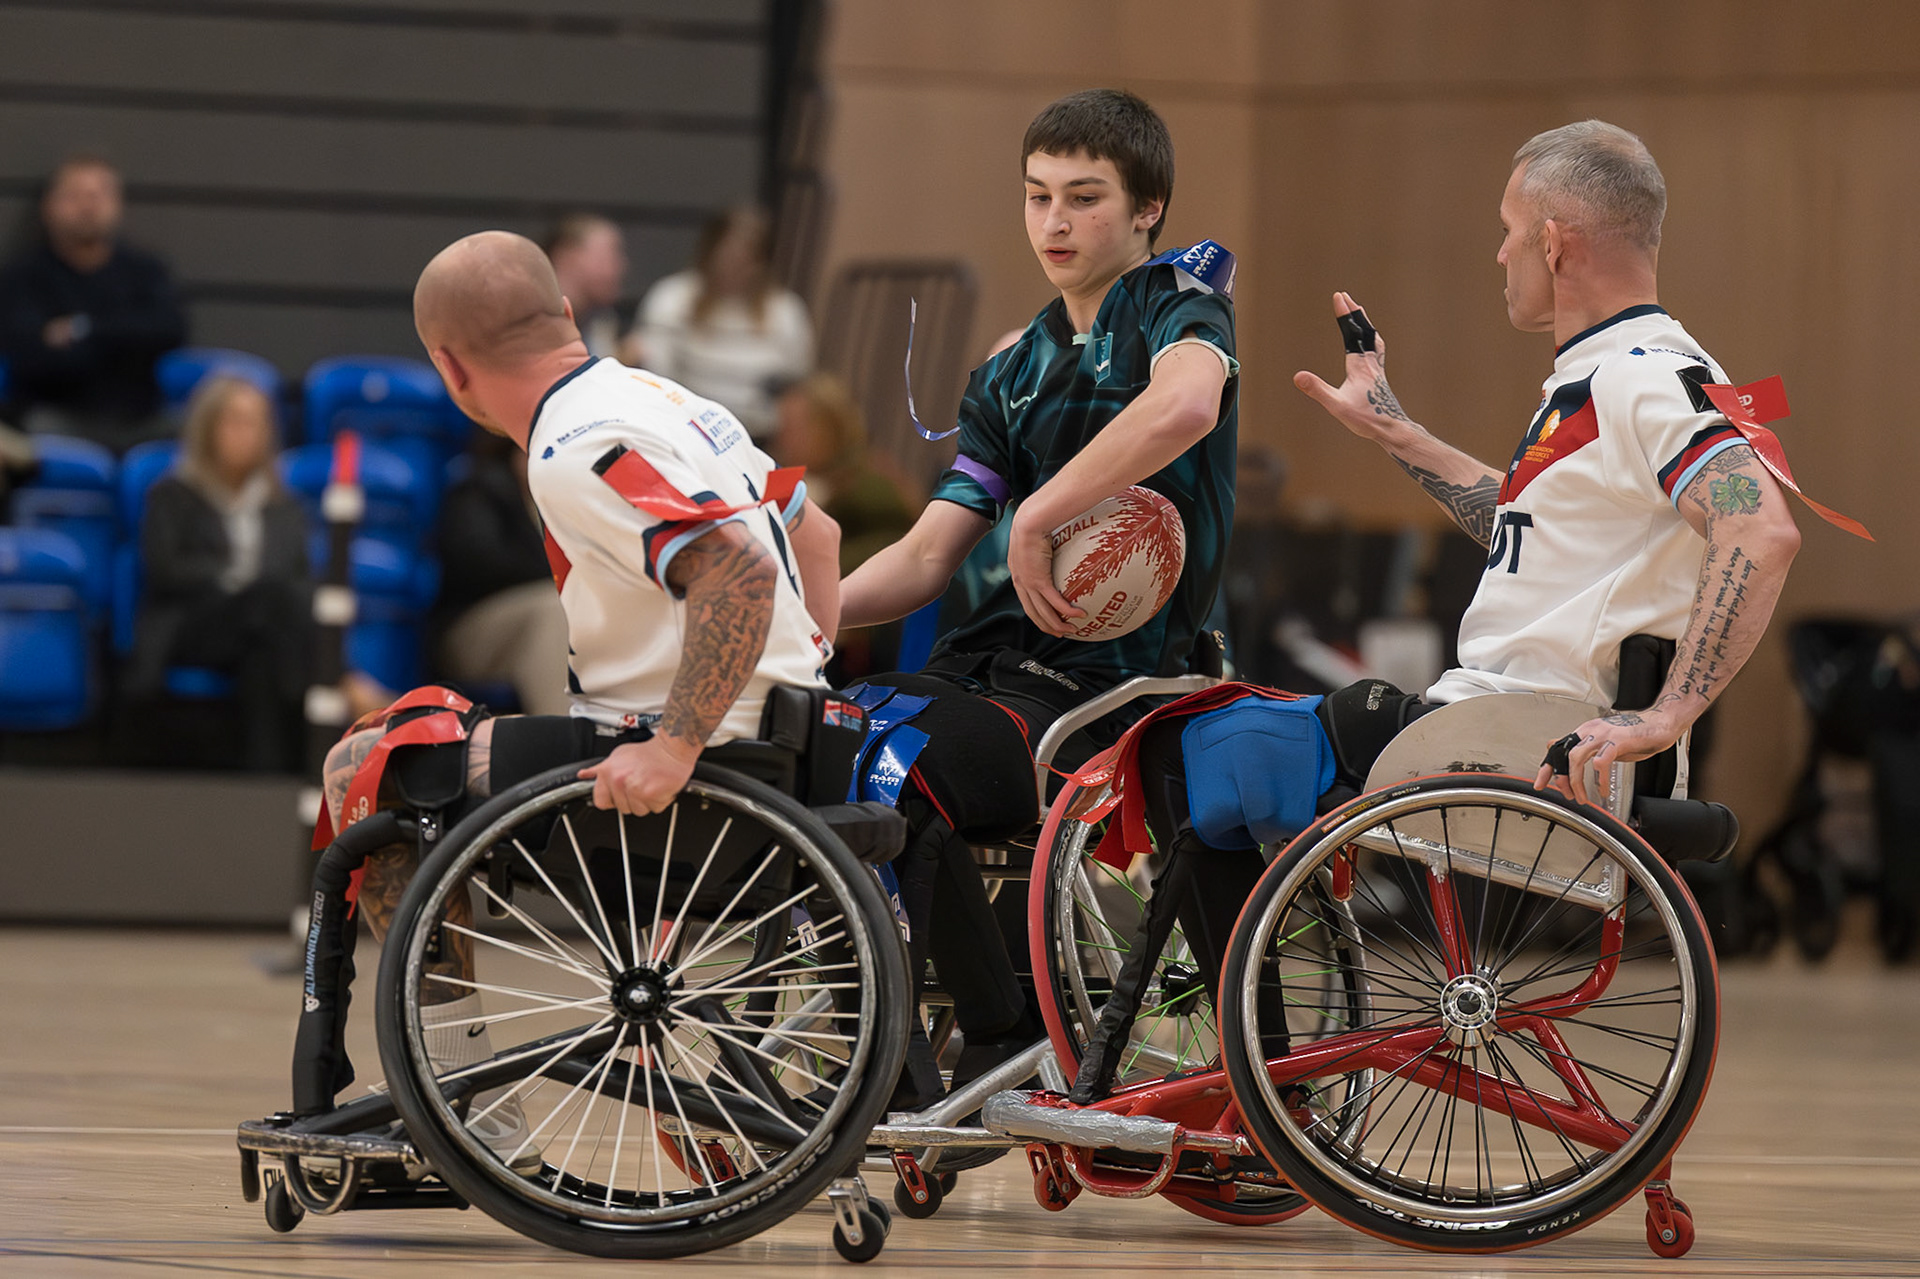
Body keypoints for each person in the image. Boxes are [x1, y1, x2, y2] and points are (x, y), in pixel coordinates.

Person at [1068, 119, 1814, 1102]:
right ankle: (1263, 1071)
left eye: (1508, 230)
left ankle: (1260, 1081)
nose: (1500, 253)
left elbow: (1759, 526)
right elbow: (1523, 527)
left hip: (1521, 738)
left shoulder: (1645, 376)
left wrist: (1665, 714)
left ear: (1554, 241)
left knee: (1183, 744)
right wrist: (1394, 429)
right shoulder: (1609, 374)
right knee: (1205, 750)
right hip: (1496, 723)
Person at [308, 231, 841, 1153]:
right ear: (564, 312)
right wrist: (802, 684)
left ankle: (466, 1106)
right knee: (415, 726)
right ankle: (463, 1100)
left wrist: (676, 744)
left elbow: (739, 574)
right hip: (787, 745)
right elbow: (817, 538)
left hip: (705, 774)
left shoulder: (573, 447)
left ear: (448, 368)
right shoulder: (668, 399)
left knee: (374, 761)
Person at [836, 88, 1239, 1102]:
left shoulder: (1178, 308)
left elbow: (1188, 405)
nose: (1054, 222)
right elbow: (928, 554)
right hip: (983, 668)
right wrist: (791, 617)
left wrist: (1043, 512)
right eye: (1037, 196)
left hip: (1110, 688)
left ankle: (984, 1034)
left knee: (901, 762)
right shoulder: (1009, 369)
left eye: (1084, 198)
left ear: (1147, 209)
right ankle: (912, 1029)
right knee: (830, 738)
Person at [133, 376, 311, 771]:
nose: (247, 433)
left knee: (262, 655)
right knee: (269, 598)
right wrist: (235, 577)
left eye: (256, 422)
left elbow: (299, 579)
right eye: (235, 421)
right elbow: (165, 569)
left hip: (263, 630)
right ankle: (329, 685)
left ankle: (265, 779)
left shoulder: (285, 507)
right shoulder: (173, 494)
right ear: (207, 428)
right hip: (194, 624)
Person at [0, 155, 185, 451]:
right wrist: (123, 342)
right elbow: (30, 356)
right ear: (48, 206)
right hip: (55, 419)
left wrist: (81, 330)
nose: (87, 207)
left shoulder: (146, 270)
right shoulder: (23, 276)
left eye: (98, 195)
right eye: (74, 196)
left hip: (139, 420)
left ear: (118, 204)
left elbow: (169, 330)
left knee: (194, 437)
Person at [627, 206, 811, 441]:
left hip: (758, 436)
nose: (736, 267)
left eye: (748, 258)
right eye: (729, 256)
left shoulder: (786, 312)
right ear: (709, 252)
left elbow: (796, 385)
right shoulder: (672, 298)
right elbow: (655, 376)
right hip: (683, 431)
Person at [431, 430, 571, 715]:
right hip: (472, 628)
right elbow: (479, 562)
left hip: (547, 622)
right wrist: (558, 571)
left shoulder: (573, 503)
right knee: (553, 608)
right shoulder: (478, 488)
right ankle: (564, 731)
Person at [772, 373, 914, 574]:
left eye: (793, 428)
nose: (781, 437)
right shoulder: (817, 480)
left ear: (829, 430)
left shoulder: (870, 493)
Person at [541, 213, 627, 359]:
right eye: (608, 256)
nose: (621, 267)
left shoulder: (601, 323)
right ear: (567, 256)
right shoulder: (534, 324)